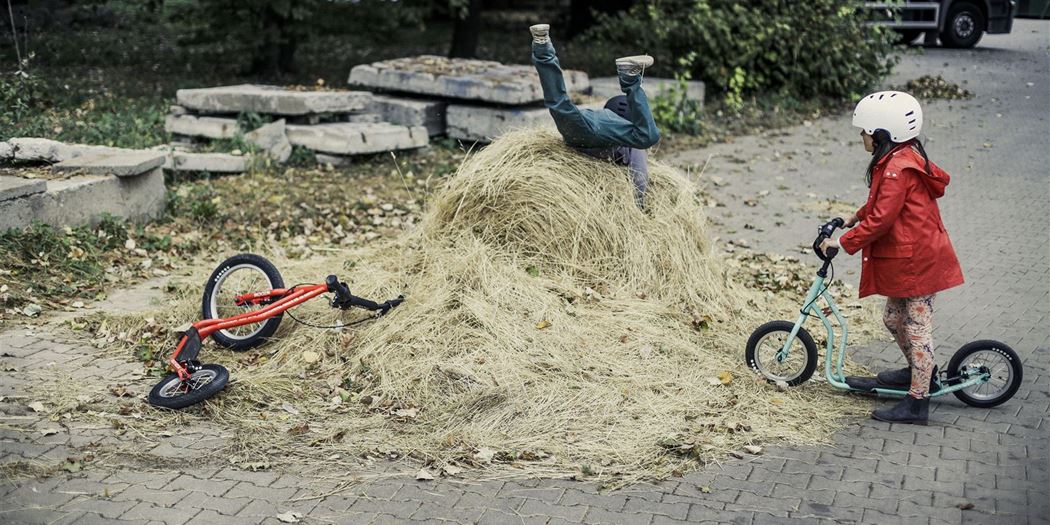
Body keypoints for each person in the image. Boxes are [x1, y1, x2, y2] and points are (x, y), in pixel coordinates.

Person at [820, 91, 964, 425]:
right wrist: (851, 217)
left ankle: (917, 402)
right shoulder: (897, 160)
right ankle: (918, 371)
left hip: (920, 261)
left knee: (916, 328)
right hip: (912, 257)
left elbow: (881, 220)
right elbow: (880, 204)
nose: (862, 136)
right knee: (892, 318)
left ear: (884, 134)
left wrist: (841, 242)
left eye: (865, 130)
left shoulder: (897, 168)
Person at [529, 23, 661, 209]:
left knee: (560, 105)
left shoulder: (598, 120)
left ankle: (542, 44)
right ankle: (629, 78)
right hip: (588, 133)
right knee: (560, 105)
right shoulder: (630, 141)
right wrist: (639, 209)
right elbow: (639, 179)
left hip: (584, 127)